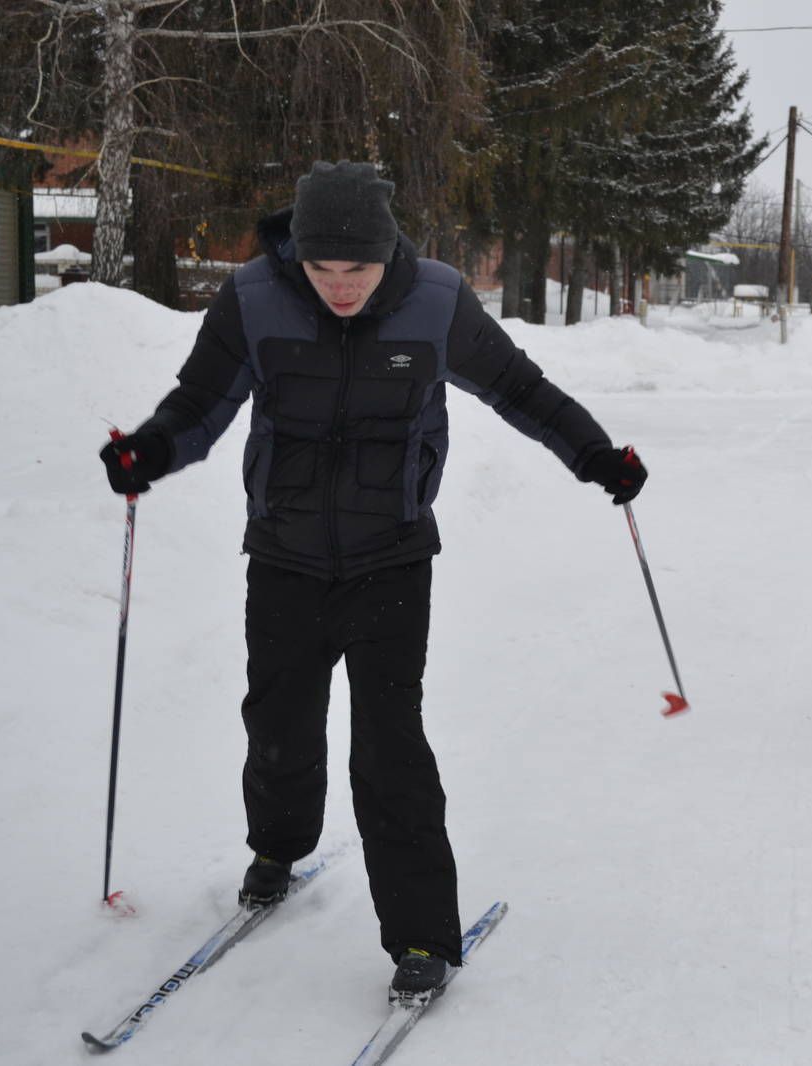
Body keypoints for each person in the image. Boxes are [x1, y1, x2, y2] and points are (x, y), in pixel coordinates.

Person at [98, 160, 647, 1002]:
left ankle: (423, 938)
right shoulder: (251, 298)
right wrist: (148, 453)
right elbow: (199, 405)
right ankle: (277, 847)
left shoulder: (435, 300)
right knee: (277, 720)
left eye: (357, 269)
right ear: (298, 255)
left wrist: (595, 455)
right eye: (322, 270)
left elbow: (519, 390)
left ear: (388, 252)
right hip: (282, 554)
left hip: (391, 559)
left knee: (391, 748)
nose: (340, 287)